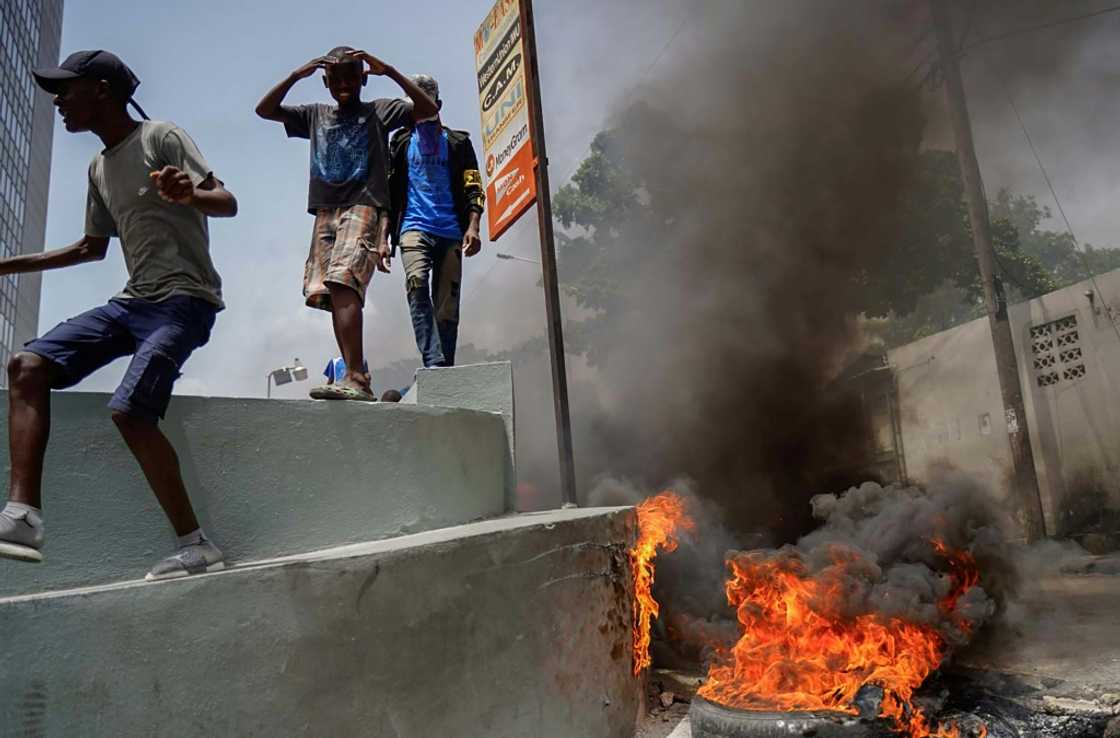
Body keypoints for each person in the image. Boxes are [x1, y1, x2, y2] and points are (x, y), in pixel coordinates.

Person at [0, 51, 237, 580]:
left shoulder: (161, 137)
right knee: (27, 366)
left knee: (131, 411)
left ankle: (197, 545)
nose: (59, 102)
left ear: (102, 90)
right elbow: (90, 248)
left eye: (67, 90)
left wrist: (191, 192)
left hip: (186, 301)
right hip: (132, 304)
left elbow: (227, 201)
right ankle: (22, 516)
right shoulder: (98, 167)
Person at [256, 47, 437, 401]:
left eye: (351, 77)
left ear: (362, 79)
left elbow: (427, 110)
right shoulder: (315, 115)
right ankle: (356, 376)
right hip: (326, 210)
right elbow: (264, 110)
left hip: (364, 205)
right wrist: (296, 75)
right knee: (328, 291)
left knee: (343, 281)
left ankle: (355, 375)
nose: (343, 84)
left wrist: (390, 71)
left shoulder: (379, 110)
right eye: (335, 79)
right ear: (325, 82)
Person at [388, 74, 485, 369]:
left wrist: (473, 226)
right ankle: (432, 360)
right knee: (416, 284)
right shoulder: (401, 143)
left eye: (423, 103)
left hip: (451, 231)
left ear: (438, 104)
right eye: (412, 106)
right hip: (413, 228)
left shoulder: (458, 143)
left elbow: (473, 186)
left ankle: (445, 369)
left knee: (447, 308)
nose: (417, 111)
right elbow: (390, 194)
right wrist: (382, 239)